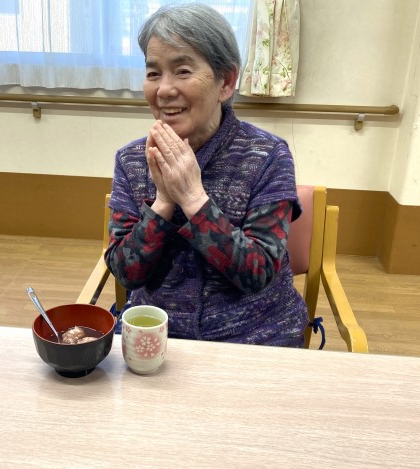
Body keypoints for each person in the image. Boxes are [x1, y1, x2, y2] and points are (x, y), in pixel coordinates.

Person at [104, 4, 308, 347]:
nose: (164, 89)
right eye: (153, 73)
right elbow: (126, 273)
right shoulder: (132, 160)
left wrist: (193, 199)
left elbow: (257, 274)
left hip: (257, 338)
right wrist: (163, 202)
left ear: (225, 82)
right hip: (158, 336)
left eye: (182, 70)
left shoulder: (268, 156)